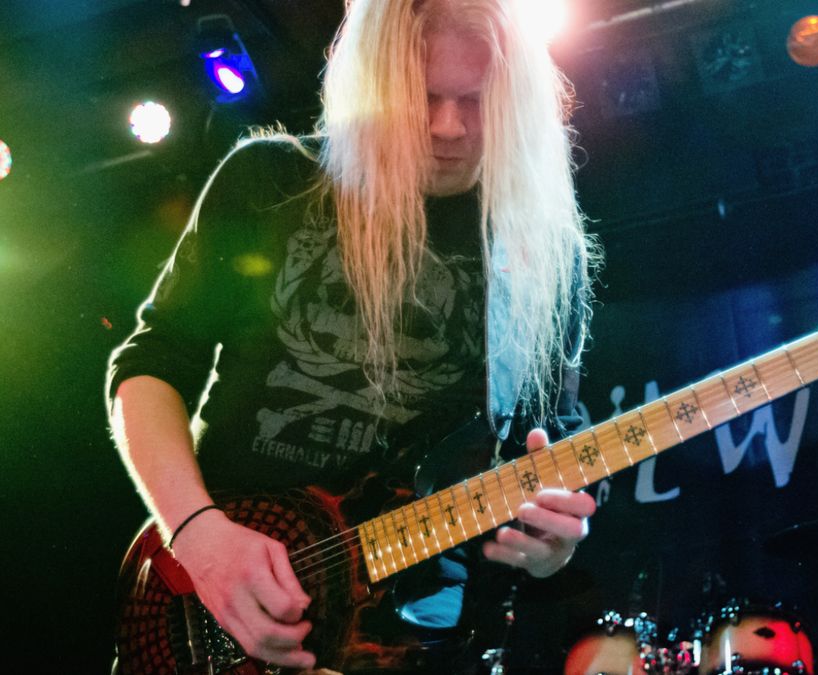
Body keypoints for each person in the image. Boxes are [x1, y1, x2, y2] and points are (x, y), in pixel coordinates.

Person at [107, 0, 599, 671]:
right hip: (217, 610)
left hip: (414, 640)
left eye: (477, 101)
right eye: (421, 98)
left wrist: (555, 543)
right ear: (373, 87)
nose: (447, 126)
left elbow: (548, 452)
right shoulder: (273, 181)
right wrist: (196, 534)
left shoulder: (543, 253)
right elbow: (149, 363)